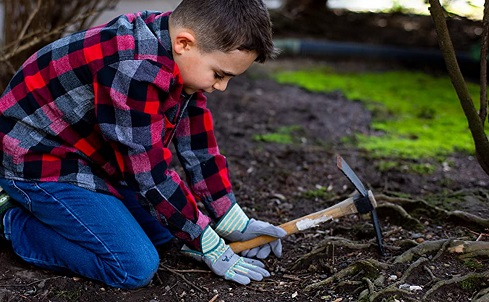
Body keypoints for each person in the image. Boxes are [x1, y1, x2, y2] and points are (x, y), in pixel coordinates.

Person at [0, 0, 287, 289]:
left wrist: (232, 220)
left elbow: (199, 148)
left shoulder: (177, 51)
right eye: (220, 74)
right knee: (133, 266)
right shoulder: (134, 68)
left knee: (166, 233)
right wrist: (207, 242)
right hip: (39, 160)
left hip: (91, 155)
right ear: (184, 43)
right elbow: (148, 175)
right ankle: (12, 221)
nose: (221, 87)